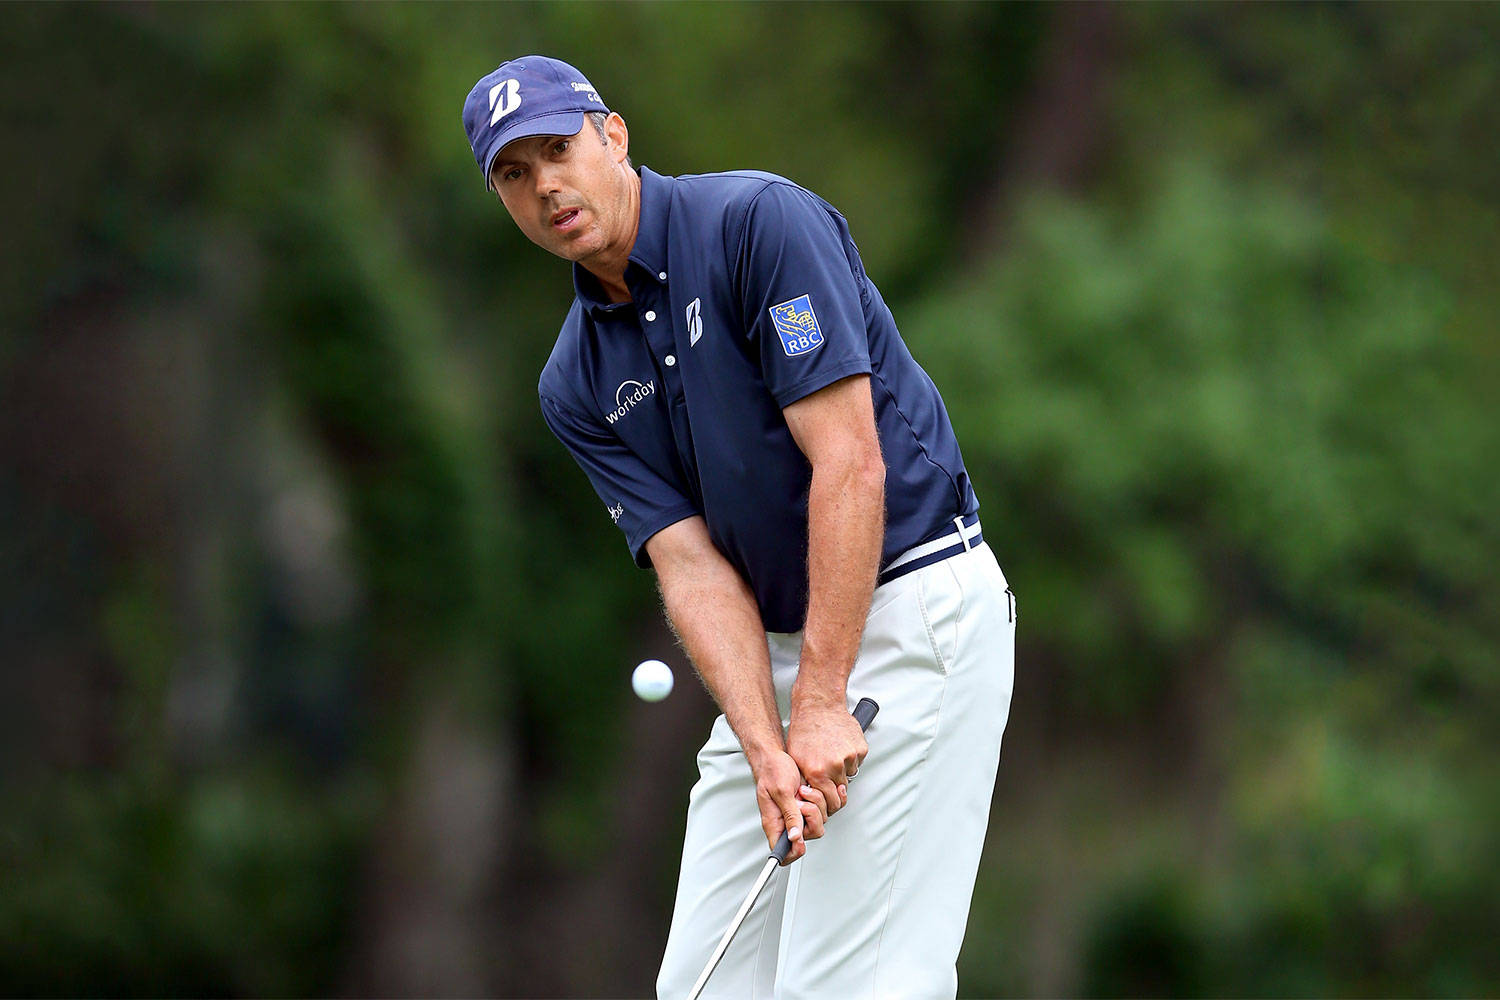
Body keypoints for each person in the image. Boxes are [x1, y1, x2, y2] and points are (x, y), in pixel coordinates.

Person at [463, 55, 1016, 1000]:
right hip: (777, 653)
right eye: (515, 174)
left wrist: (827, 696)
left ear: (614, 135)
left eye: (558, 150)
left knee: (851, 984)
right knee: (701, 988)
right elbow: (690, 568)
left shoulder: (757, 225)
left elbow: (850, 462)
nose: (546, 185)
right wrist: (766, 744)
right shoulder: (574, 381)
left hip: (907, 607)